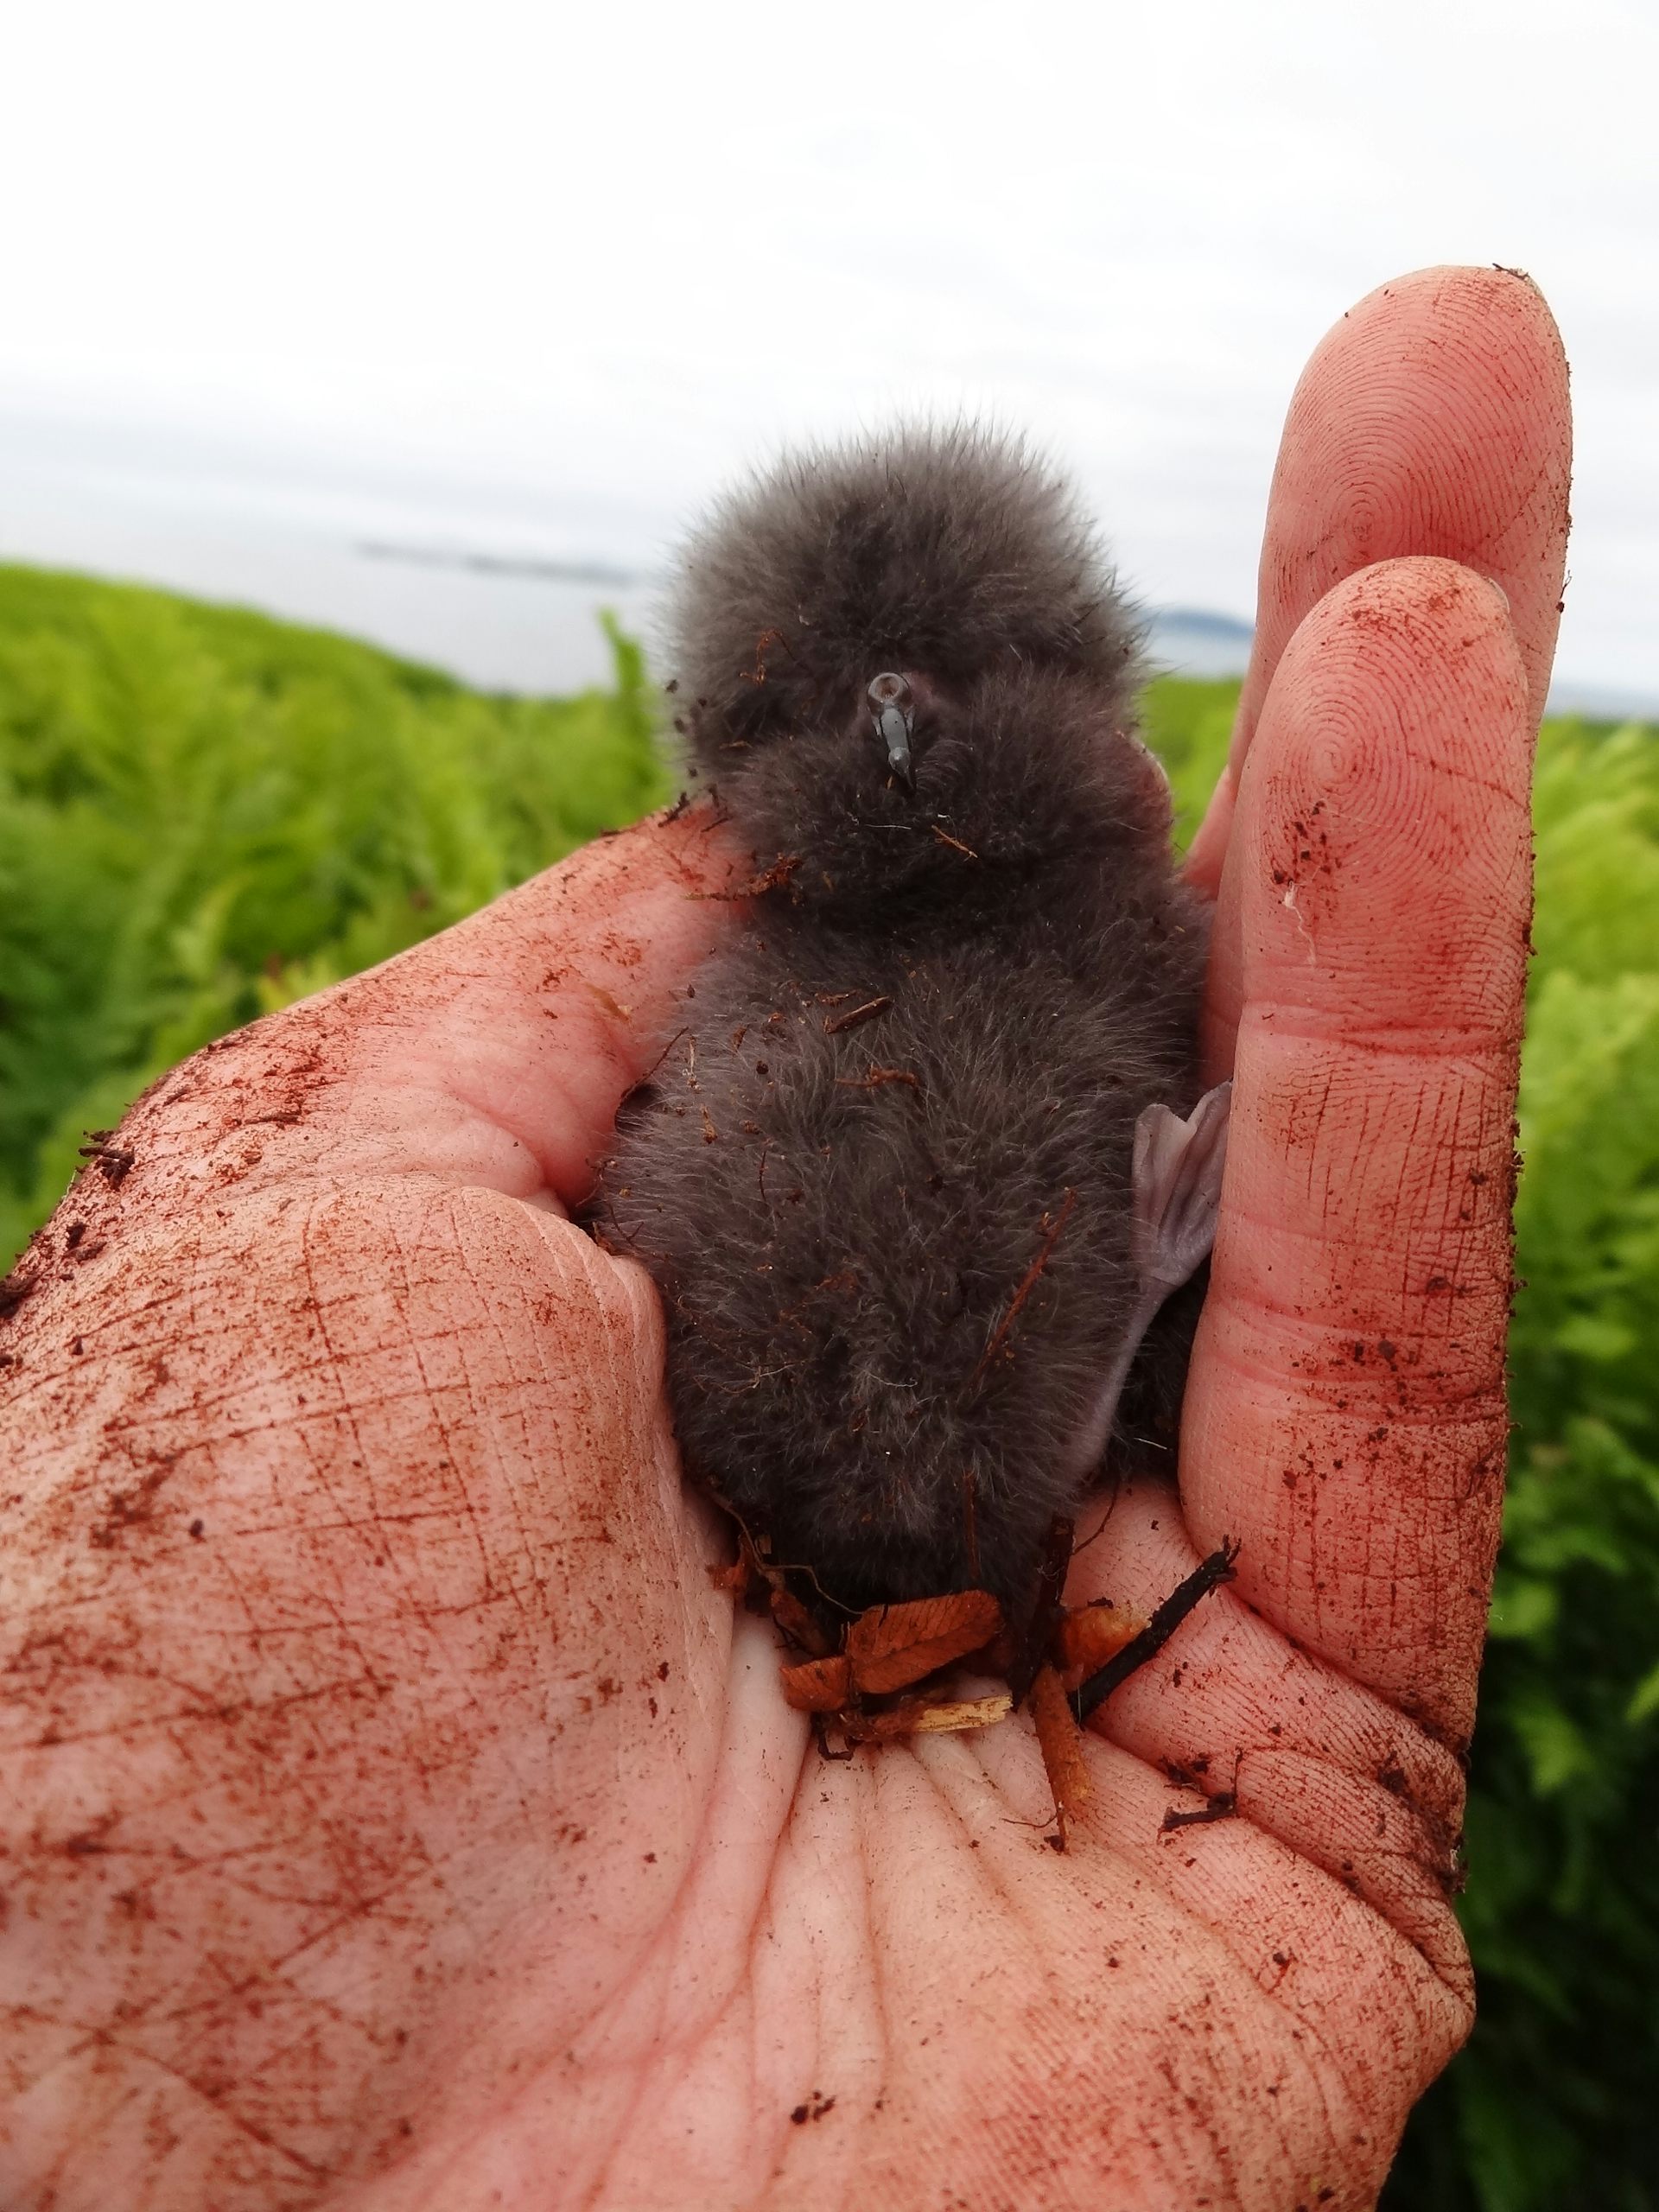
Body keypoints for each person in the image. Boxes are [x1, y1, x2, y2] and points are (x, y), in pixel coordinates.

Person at [0, 264, 1570, 2212]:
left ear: (1072, 683)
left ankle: (1096, 1361)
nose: (898, 717)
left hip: (998, 1518)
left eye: (956, 664)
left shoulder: (1018, 938)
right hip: (852, 1529)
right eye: (824, 691)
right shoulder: (788, 952)